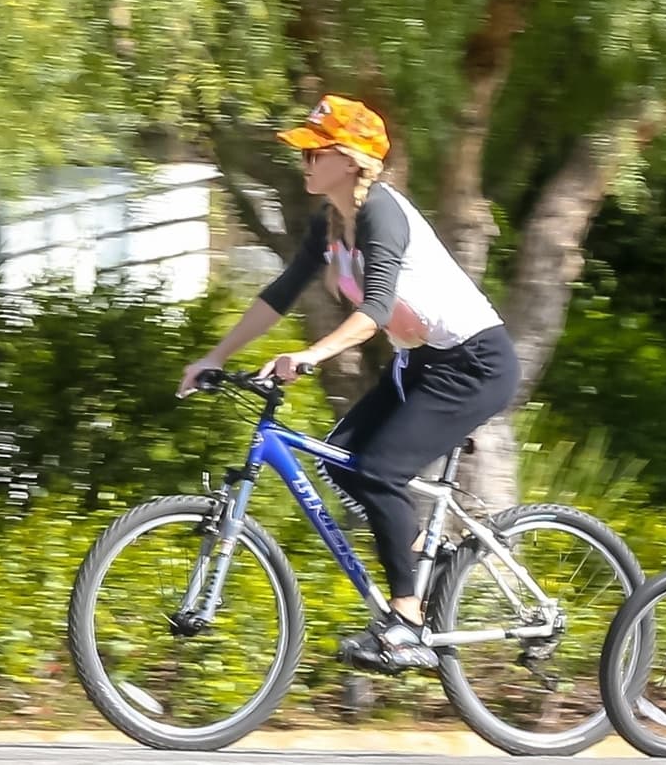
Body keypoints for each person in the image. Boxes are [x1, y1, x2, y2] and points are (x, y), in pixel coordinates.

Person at [177, 94, 520, 671]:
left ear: (350, 160)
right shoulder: (332, 222)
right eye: (305, 152)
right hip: (425, 362)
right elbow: (280, 295)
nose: (305, 161)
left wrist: (313, 354)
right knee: (340, 460)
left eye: (316, 151)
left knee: (380, 469)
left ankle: (407, 619)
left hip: (474, 363)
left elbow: (379, 307)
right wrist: (213, 356)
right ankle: (419, 559)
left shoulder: (381, 214)